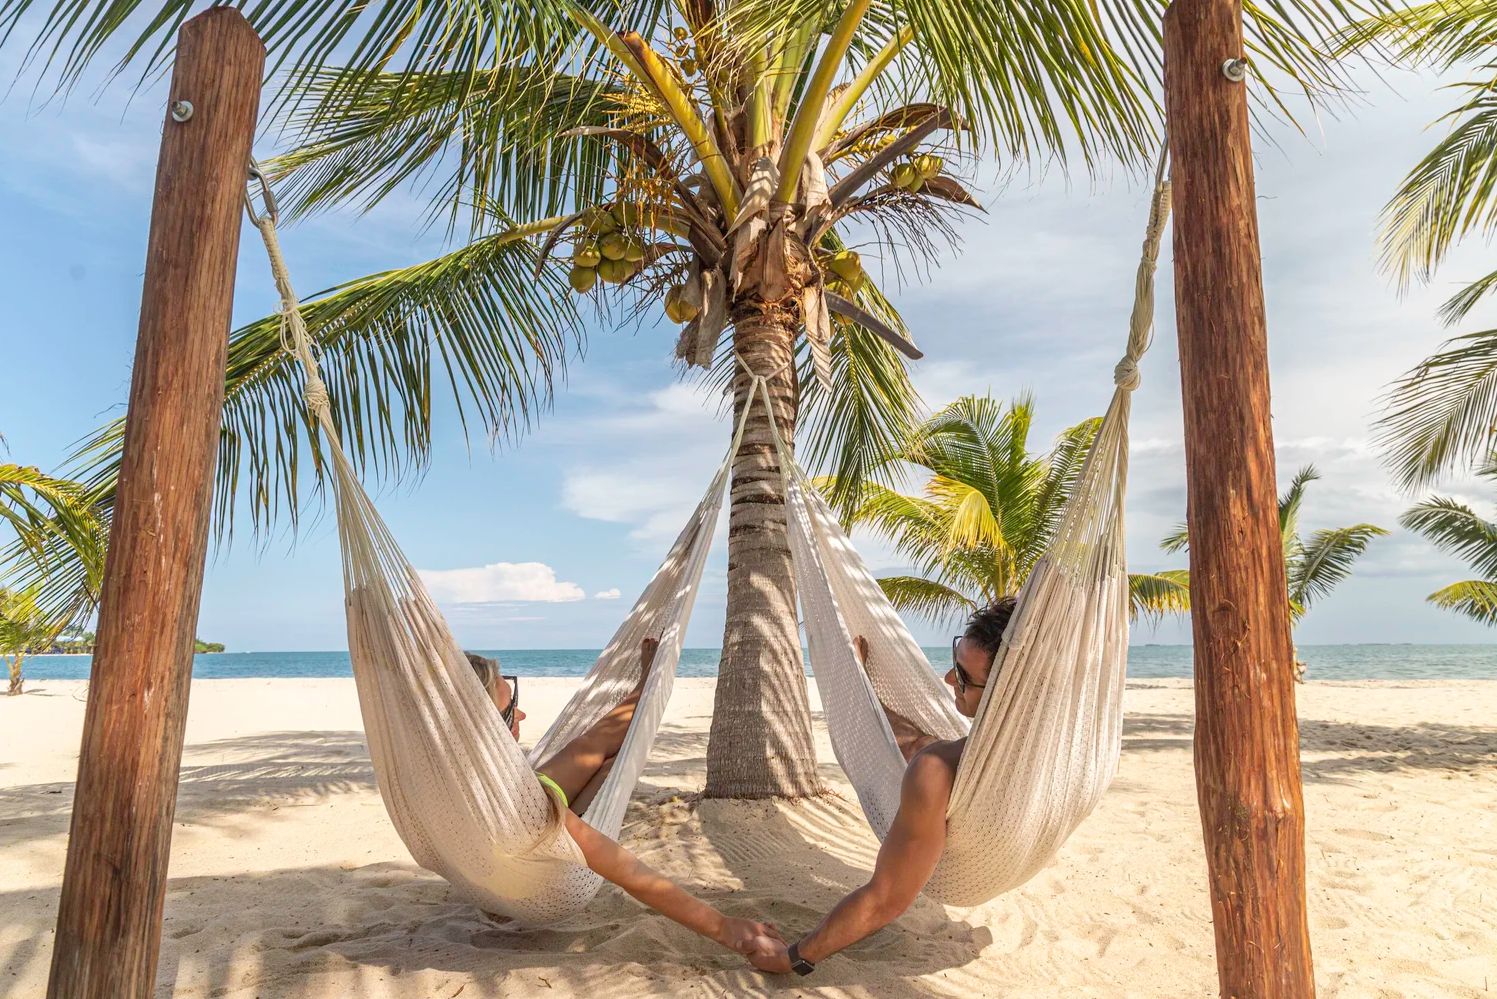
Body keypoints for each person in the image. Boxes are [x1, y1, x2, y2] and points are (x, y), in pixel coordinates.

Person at [743, 598, 1016, 977]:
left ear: (1006, 692)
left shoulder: (936, 772)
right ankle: (865, 691)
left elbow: (886, 898)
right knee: (922, 743)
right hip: (979, 785)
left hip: (954, 809)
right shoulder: (1053, 732)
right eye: (955, 662)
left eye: (963, 676)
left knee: (928, 756)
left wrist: (794, 956)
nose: (949, 679)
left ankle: (863, 690)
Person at [466, 638, 781, 959]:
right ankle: (643, 691)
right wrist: (722, 927)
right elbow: (627, 871)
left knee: (602, 743)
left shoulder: (454, 772)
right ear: (485, 723)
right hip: (542, 820)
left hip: (537, 789)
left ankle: (642, 689)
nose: (521, 714)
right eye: (509, 708)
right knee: (616, 757)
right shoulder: (524, 807)